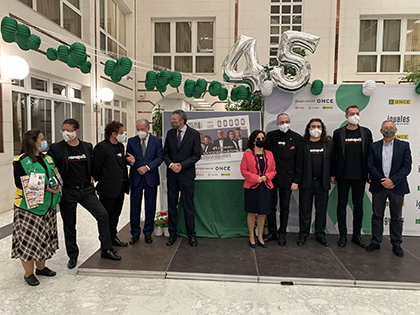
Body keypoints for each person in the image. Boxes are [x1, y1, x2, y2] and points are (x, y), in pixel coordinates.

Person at [48, 118, 121, 270]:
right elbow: (49, 167)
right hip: (68, 191)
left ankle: (106, 249)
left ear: (77, 131)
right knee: (70, 224)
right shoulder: (56, 148)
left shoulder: (87, 147)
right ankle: (73, 256)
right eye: (63, 130)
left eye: (68, 130)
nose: (65, 133)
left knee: (103, 215)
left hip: (87, 190)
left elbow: (95, 164)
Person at [12, 129, 62, 286]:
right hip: (29, 208)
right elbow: (21, 183)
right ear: (33, 142)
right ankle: (29, 273)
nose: (44, 141)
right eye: (41, 139)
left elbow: (54, 174)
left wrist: (58, 184)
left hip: (48, 205)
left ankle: (41, 267)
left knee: (44, 239)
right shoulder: (21, 161)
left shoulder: (47, 158)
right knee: (29, 241)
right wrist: (46, 187)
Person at [366, 120, 412, 257]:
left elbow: (407, 166)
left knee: (396, 217)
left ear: (396, 130)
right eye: (385, 128)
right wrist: (383, 180)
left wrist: (392, 180)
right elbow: (370, 165)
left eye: (391, 127)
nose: (388, 130)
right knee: (377, 215)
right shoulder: (374, 146)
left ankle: (396, 243)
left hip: (397, 186)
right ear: (381, 131)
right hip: (379, 186)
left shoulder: (404, 146)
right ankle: (375, 241)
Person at [331, 105, 373, 248]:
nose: (355, 116)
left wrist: (370, 173)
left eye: (357, 113)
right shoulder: (338, 133)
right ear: (346, 116)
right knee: (341, 205)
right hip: (343, 176)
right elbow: (333, 155)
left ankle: (356, 235)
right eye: (352, 113)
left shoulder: (366, 133)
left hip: (360, 176)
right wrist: (332, 173)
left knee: (358, 206)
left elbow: (370, 155)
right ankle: (342, 235)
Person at [163, 109, 201, 247]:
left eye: (174, 119)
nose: (172, 121)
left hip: (186, 176)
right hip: (172, 175)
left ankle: (191, 235)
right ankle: (172, 234)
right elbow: (165, 153)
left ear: (182, 121)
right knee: (172, 205)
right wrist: (171, 164)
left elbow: (197, 155)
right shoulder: (170, 133)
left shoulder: (194, 134)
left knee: (188, 206)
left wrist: (182, 165)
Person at [264, 113, 303, 246]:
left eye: (286, 121)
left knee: (285, 207)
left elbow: (299, 161)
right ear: (277, 123)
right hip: (271, 178)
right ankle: (272, 231)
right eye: (281, 122)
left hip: (288, 179)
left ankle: (282, 234)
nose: (284, 124)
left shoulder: (297, 138)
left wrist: (296, 180)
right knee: (271, 206)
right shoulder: (270, 136)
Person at [297, 119, 333, 247]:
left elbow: (332, 162)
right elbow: (298, 164)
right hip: (306, 183)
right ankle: (303, 234)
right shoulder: (302, 145)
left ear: (322, 129)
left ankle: (320, 234)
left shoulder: (328, 144)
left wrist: (333, 175)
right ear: (308, 128)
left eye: (318, 126)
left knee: (321, 211)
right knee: (304, 211)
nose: (316, 129)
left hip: (322, 183)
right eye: (313, 126)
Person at [92, 121, 129, 247]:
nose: (123, 135)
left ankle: (113, 237)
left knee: (115, 215)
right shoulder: (101, 147)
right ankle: (105, 243)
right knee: (106, 217)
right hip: (107, 189)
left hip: (120, 188)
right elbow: (96, 168)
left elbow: (121, 162)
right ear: (113, 134)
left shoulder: (120, 146)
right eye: (121, 132)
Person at [126, 119, 163, 245]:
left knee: (150, 206)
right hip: (136, 178)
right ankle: (135, 233)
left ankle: (148, 232)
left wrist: (147, 167)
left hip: (150, 178)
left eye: (142, 129)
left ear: (148, 128)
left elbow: (159, 157)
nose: (140, 132)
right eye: (138, 129)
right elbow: (128, 157)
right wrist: (131, 162)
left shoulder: (157, 141)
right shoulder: (132, 141)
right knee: (135, 206)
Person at [240, 130, 276, 248]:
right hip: (252, 186)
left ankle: (260, 236)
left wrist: (266, 177)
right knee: (251, 211)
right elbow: (243, 170)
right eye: (258, 138)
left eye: (263, 138)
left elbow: (274, 170)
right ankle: (251, 236)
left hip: (265, 186)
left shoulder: (270, 154)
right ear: (253, 140)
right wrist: (256, 178)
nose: (261, 140)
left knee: (262, 212)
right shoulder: (247, 154)